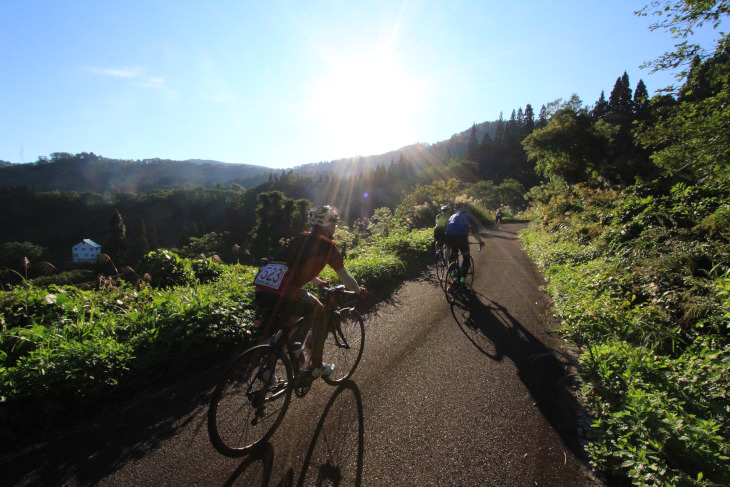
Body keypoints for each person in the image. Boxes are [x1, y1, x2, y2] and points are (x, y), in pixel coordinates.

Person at [253, 205, 367, 378]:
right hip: (284, 291)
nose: (335, 227)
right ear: (329, 226)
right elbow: (346, 278)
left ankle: (269, 368)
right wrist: (358, 291)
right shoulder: (329, 248)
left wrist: (318, 282)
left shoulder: (301, 239)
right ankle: (316, 366)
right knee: (320, 313)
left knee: (289, 322)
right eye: (335, 223)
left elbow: (293, 265)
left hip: (263, 286)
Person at [444, 203, 484, 283]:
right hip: (461, 237)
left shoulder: (452, 216)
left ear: (456, 210)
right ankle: (462, 278)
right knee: (466, 257)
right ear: (465, 209)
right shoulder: (468, 215)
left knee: (453, 253)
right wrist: (479, 240)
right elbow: (474, 231)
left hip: (449, 236)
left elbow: (446, 227)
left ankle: (452, 271)